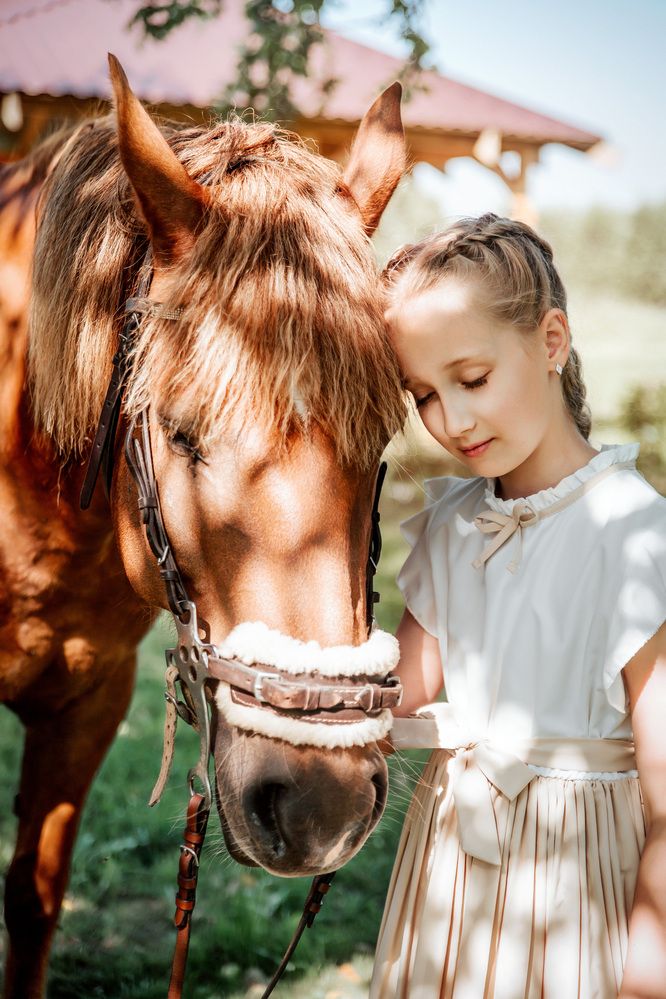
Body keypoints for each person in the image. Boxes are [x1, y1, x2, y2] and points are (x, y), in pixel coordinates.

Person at [370, 214, 666, 999]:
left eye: (471, 379)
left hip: (576, 886)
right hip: (450, 878)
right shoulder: (447, 521)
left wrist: (651, 955)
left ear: (551, 341)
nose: (452, 421)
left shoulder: (637, 536)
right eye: (424, 394)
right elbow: (397, 694)